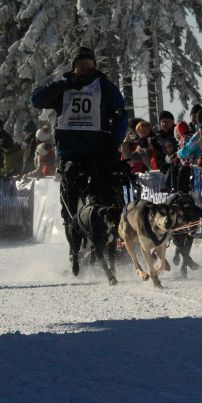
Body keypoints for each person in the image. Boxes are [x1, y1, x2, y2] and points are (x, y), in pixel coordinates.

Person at [31, 47, 127, 272]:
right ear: (74, 67)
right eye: (81, 64)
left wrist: (114, 143)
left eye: (89, 65)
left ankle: (116, 243)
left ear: (94, 66)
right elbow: (37, 99)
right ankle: (76, 250)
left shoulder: (104, 86)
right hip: (71, 155)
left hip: (100, 153)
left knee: (109, 198)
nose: (85, 68)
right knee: (70, 206)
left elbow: (121, 114)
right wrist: (64, 84)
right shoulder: (63, 88)